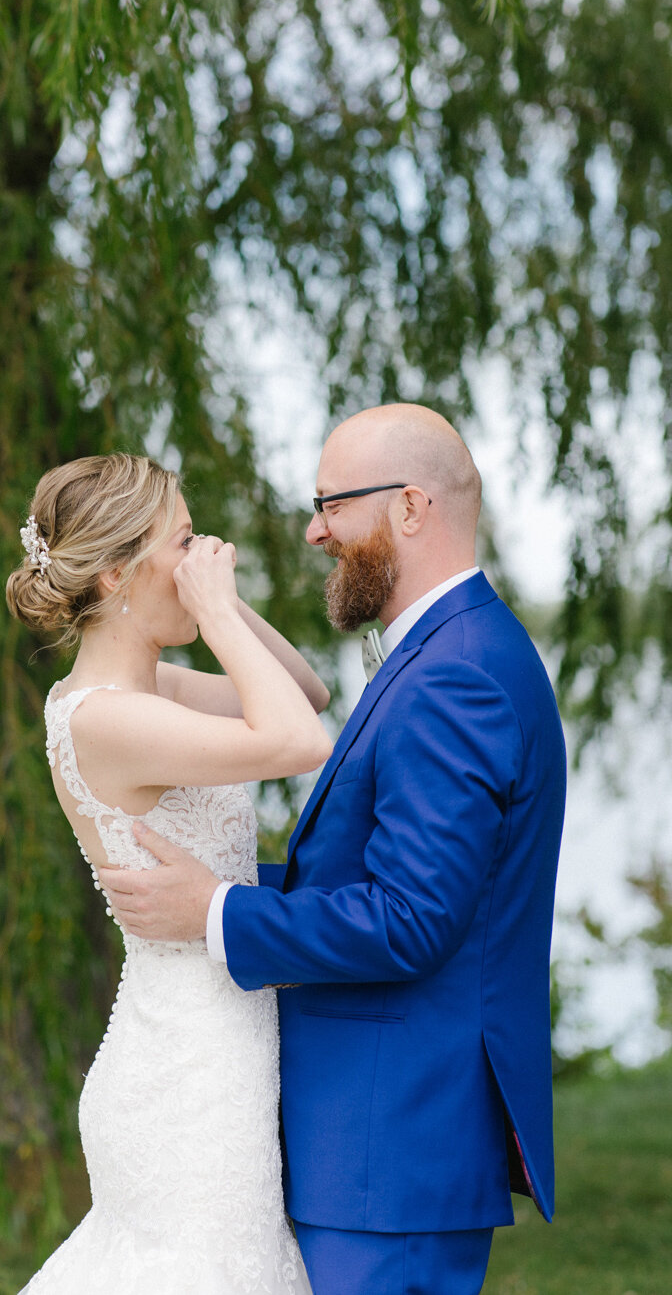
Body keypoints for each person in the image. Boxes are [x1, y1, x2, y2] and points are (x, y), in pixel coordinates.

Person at [100, 404, 565, 1295]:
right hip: (381, 1145)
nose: (313, 531)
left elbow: (412, 920)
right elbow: (389, 878)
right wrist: (229, 882)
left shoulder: (456, 673)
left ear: (411, 508)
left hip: (387, 1148)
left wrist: (218, 912)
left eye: (331, 505)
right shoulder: (450, 651)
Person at [5, 452, 331, 1294]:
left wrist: (220, 604)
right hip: (187, 1072)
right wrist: (215, 610)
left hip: (211, 1043)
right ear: (117, 573)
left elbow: (304, 690)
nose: (201, 559)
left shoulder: (153, 689)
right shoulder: (108, 717)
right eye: (182, 544)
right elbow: (300, 744)